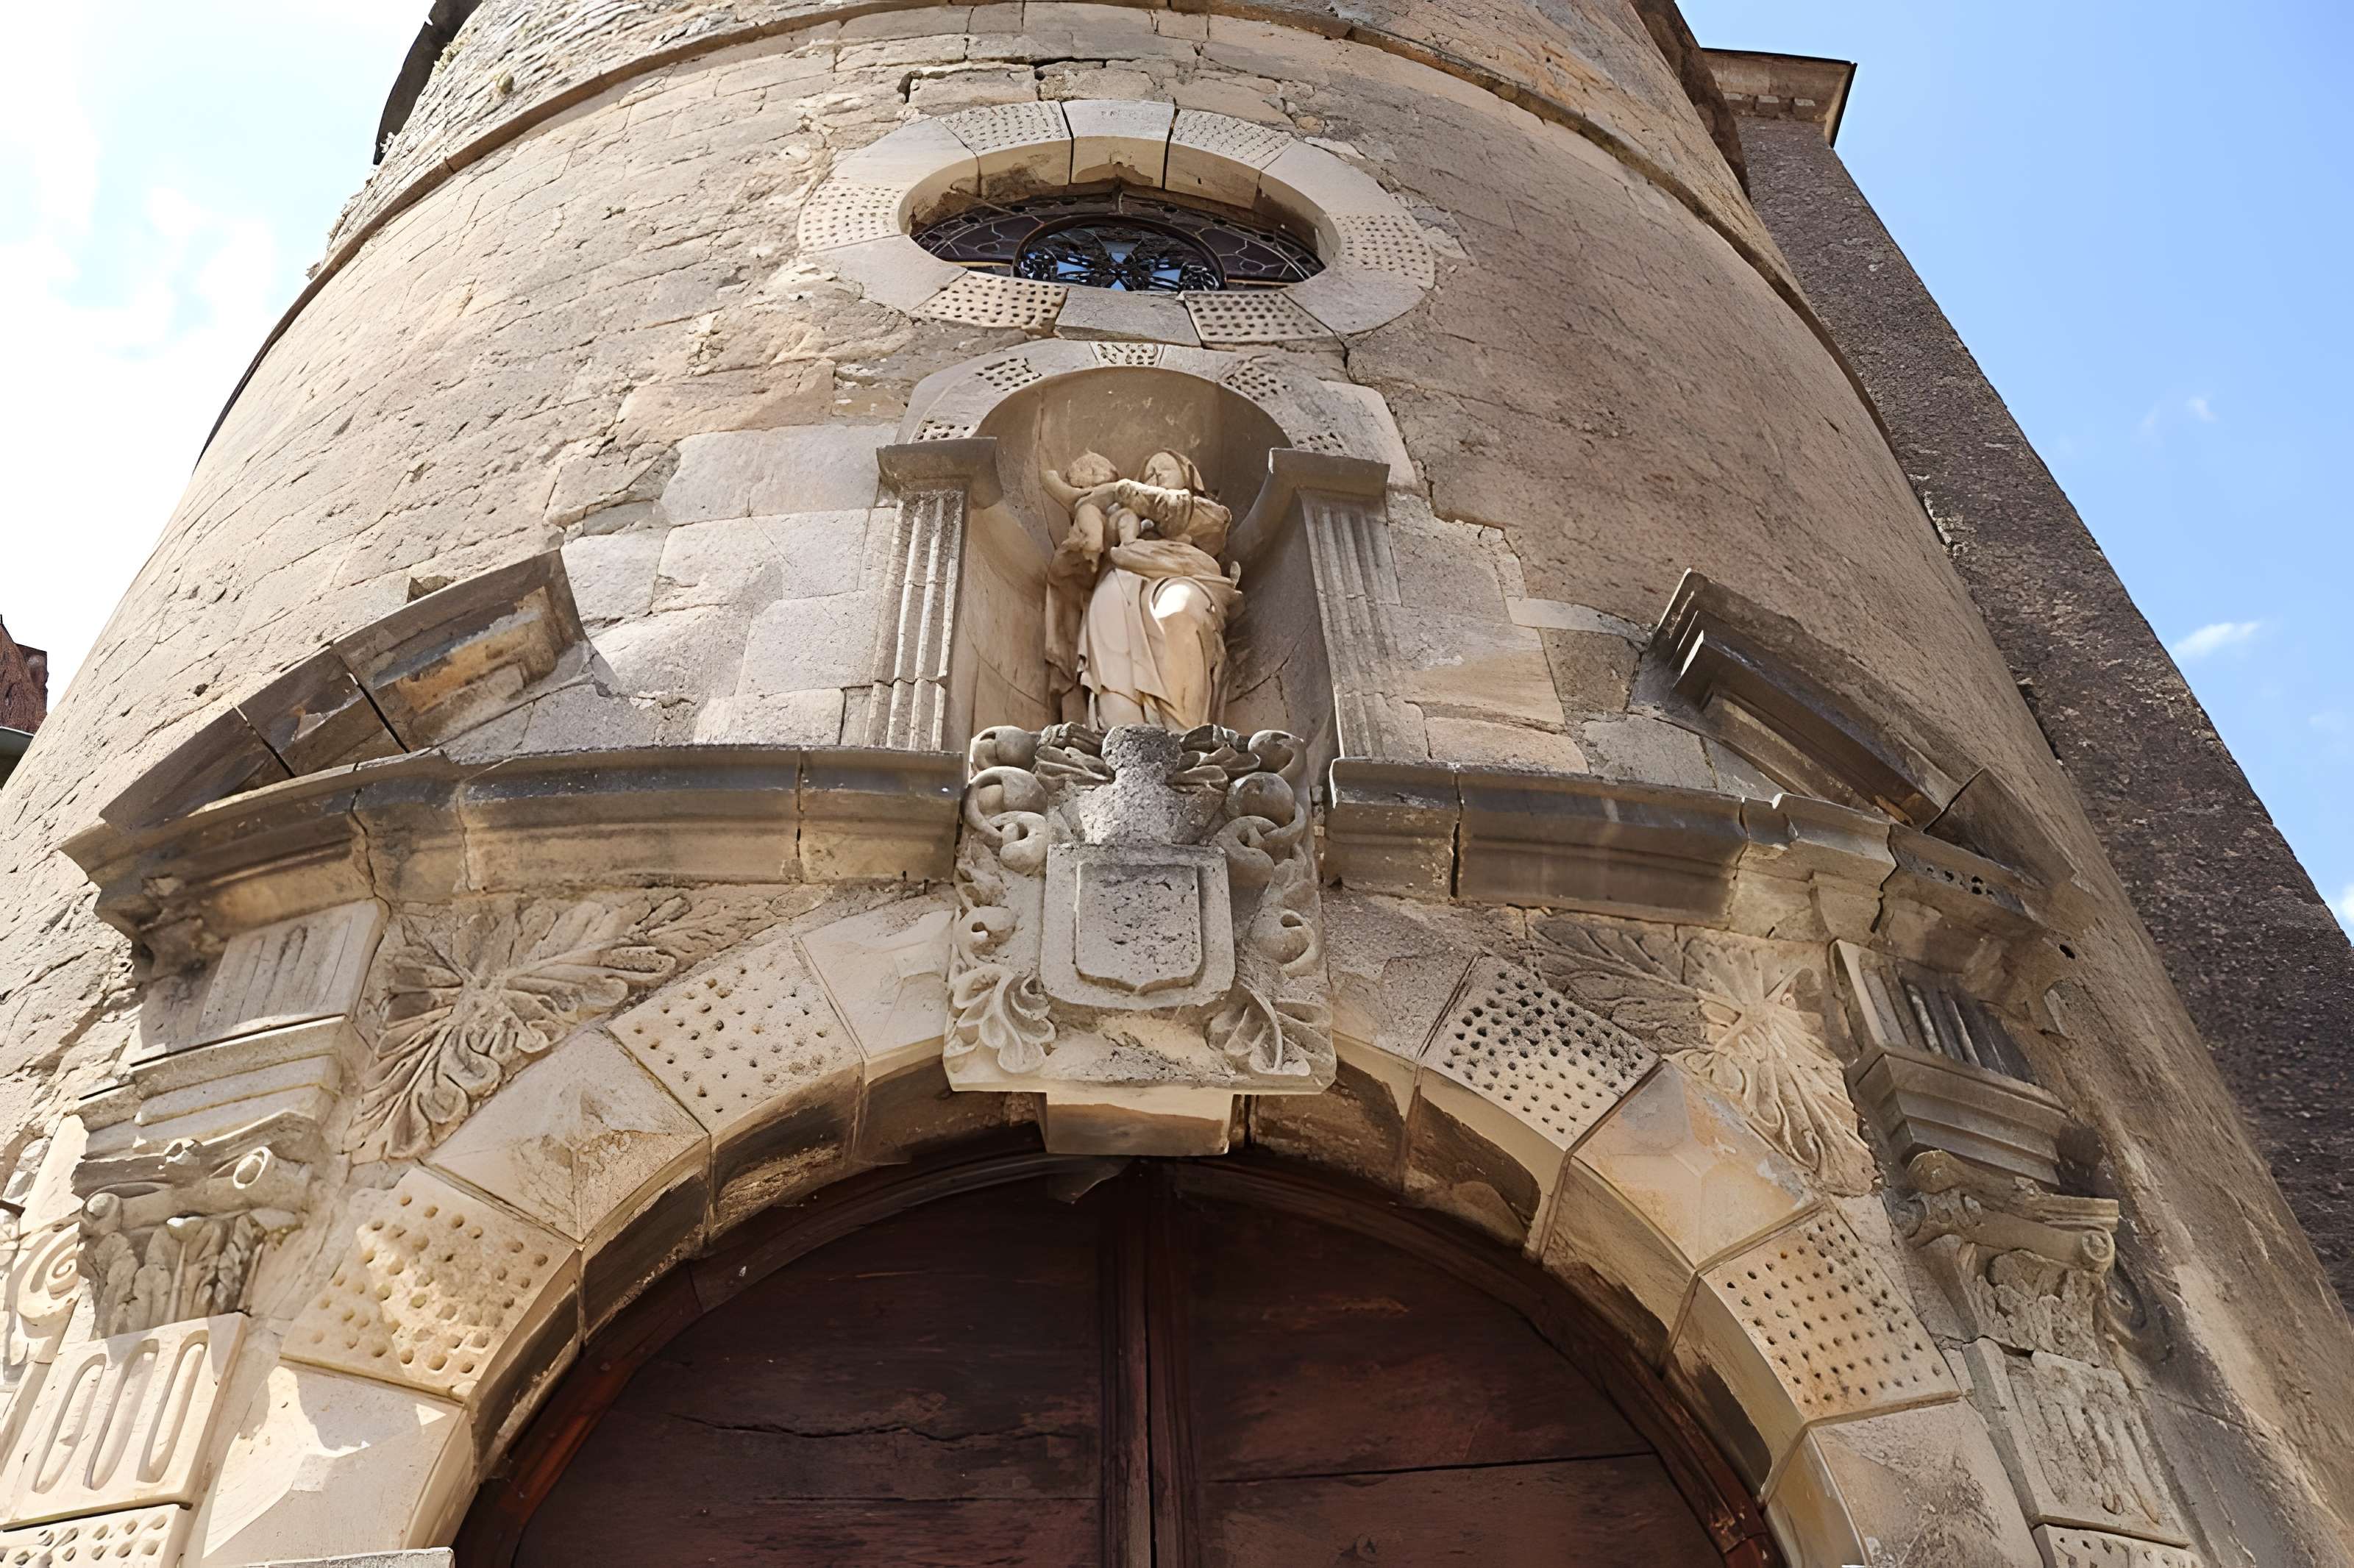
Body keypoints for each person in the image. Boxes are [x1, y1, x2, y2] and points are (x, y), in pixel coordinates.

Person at [1041, 450, 1242, 731]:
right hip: (1124, 574)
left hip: (1183, 574)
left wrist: (1118, 491)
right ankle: (1120, 731)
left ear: (1188, 477)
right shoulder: (1123, 518)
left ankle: (1183, 732)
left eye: (1166, 469)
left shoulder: (1206, 511)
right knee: (1107, 605)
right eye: (1150, 473)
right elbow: (1085, 556)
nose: (1157, 476)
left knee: (1178, 611)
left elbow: (1174, 510)